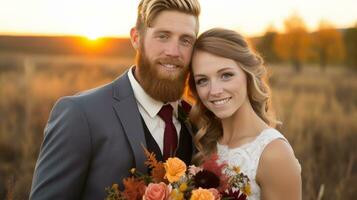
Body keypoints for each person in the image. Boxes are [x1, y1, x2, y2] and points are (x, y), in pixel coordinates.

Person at [30, 0, 200, 199]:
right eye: (162, 36)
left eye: (186, 40)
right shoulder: (80, 114)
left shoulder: (198, 121)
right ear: (136, 38)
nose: (174, 51)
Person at [188, 28, 302, 200]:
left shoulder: (274, 154)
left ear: (247, 75)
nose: (214, 91)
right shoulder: (206, 145)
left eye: (226, 75)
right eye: (202, 80)